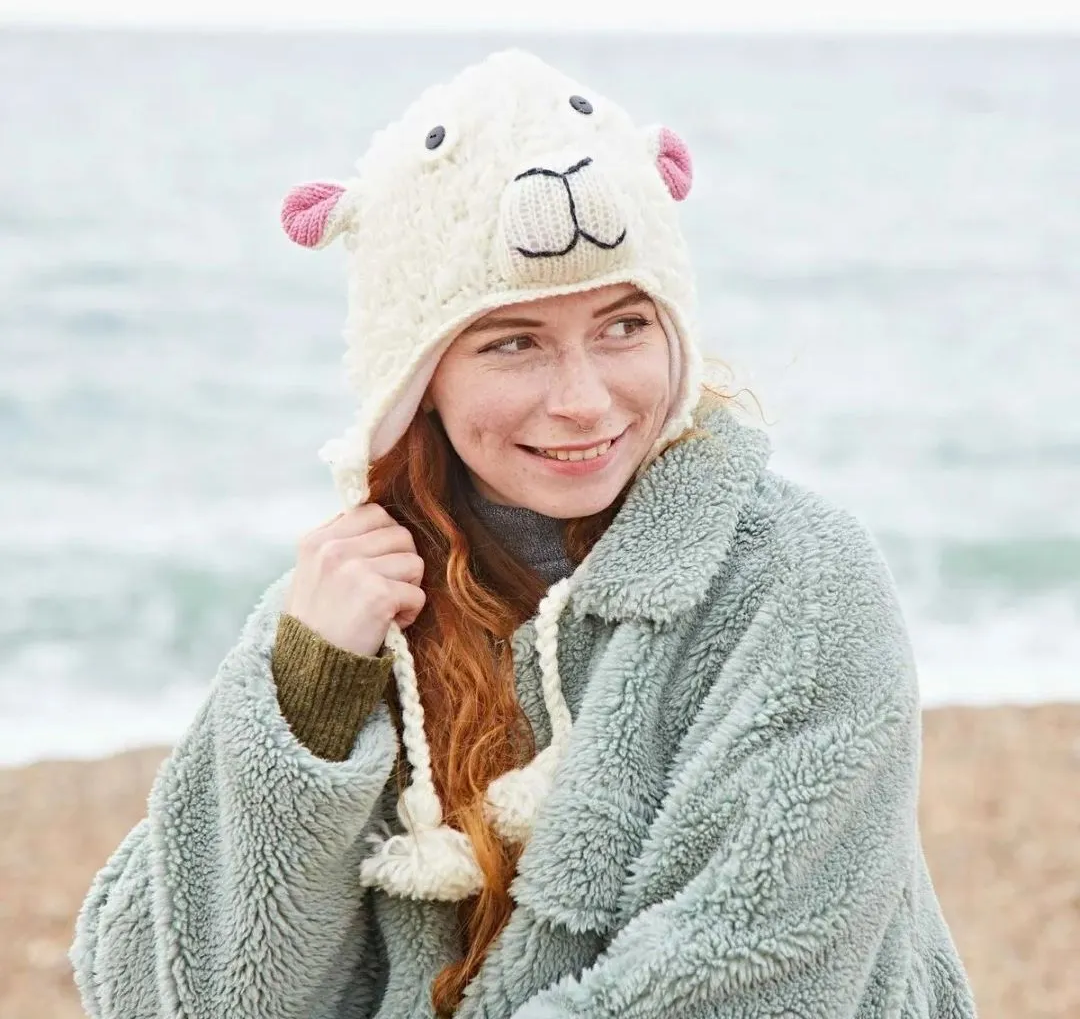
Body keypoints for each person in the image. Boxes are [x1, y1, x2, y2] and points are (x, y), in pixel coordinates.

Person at [70, 49, 976, 1019]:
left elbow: (750, 969)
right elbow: (167, 991)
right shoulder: (352, 612)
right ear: (419, 379)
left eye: (624, 325)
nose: (584, 401)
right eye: (514, 342)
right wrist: (309, 696)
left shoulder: (795, 580)